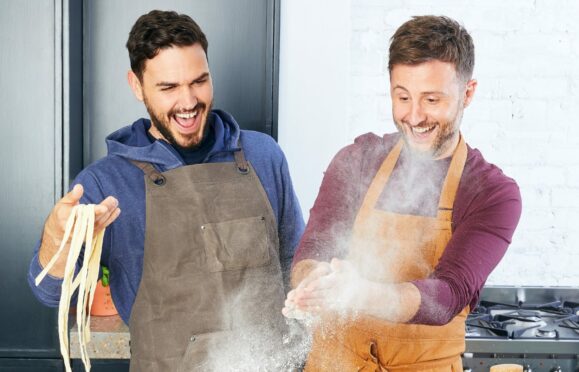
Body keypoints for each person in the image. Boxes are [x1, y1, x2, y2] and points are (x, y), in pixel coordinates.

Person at [28, 10, 304, 371]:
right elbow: (49, 292)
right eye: (169, 87)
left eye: (199, 81)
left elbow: (296, 264)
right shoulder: (104, 183)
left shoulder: (262, 156)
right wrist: (56, 236)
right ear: (137, 85)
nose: (188, 101)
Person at [283, 15, 522, 371]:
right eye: (403, 96)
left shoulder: (492, 193)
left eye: (432, 99)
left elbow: (448, 295)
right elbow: (313, 250)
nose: (414, 116)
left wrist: (361, 294)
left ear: (467, 93)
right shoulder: (357, 161)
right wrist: (315, 283)